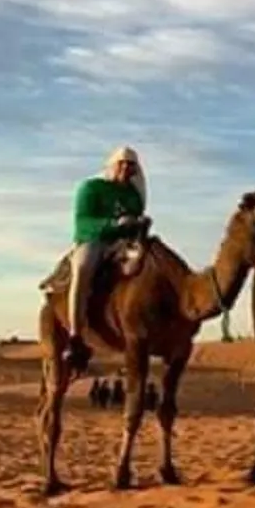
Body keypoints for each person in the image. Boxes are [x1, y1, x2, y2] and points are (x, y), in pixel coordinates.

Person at [65, 145, 149, 375]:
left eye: (130, 165)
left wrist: (139, 225)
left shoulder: (133, 195)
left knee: (149, 264)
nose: (126, 168)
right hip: (94, 240)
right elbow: (83, 221)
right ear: (112, 165)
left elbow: (135, 219)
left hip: (123, 243)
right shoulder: (90, 188)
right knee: (83, 267)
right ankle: (75, 336)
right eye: (122, 163)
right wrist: (112, 224)